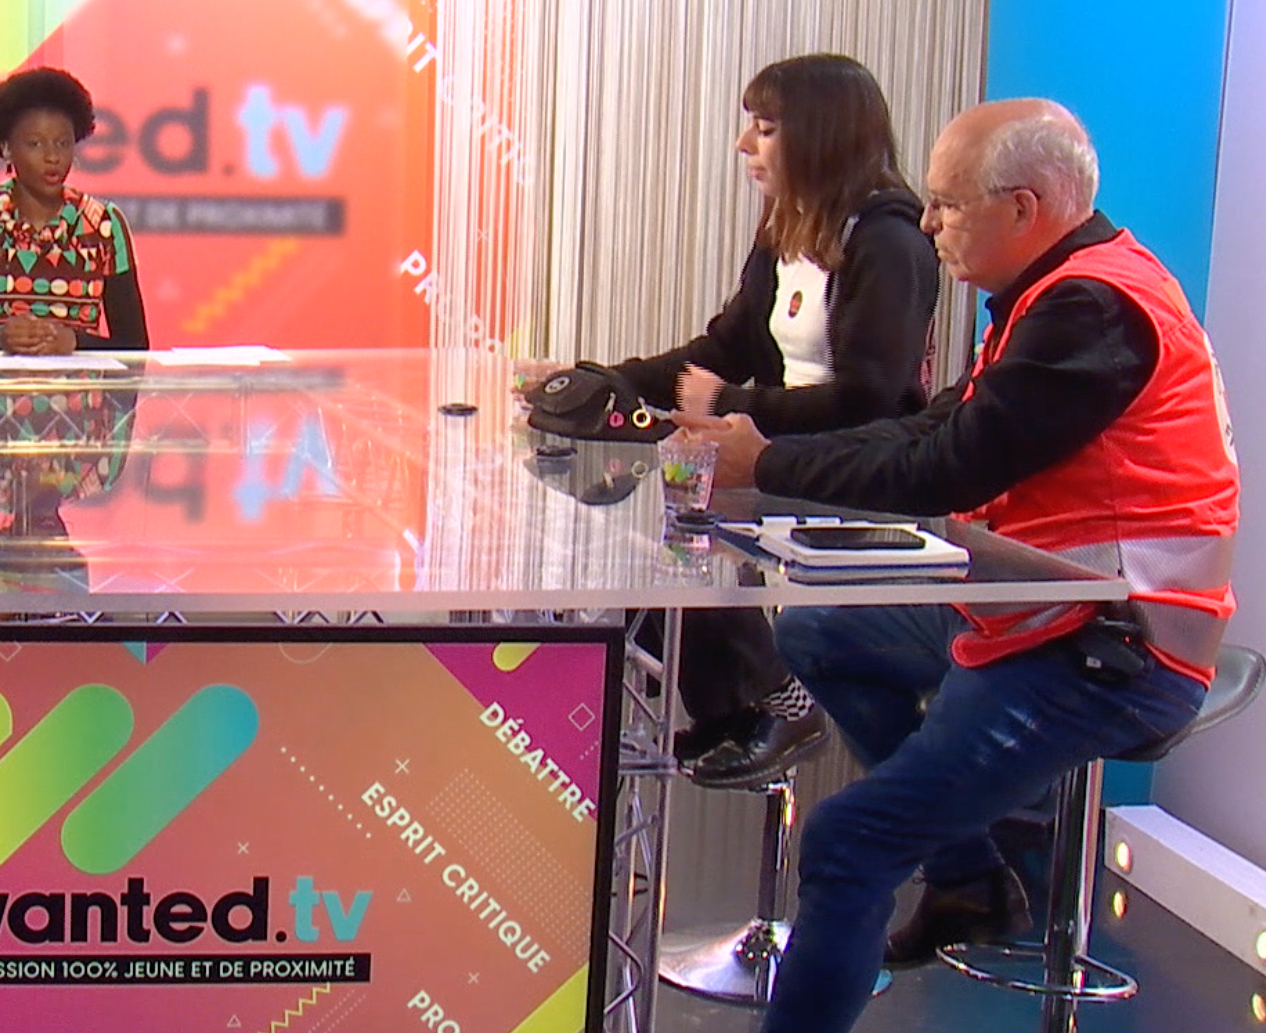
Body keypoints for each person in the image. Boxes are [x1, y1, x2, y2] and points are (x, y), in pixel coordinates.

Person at [676, 99, 1236, 1033]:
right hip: (1032, 611)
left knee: (849, 839)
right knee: (822, 629)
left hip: (1113, 647)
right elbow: (937, 424)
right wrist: (766, 453)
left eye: (946, 204)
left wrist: (765, 464)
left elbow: (949, 466)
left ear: (1023, 207)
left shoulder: (1091, 308)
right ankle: (970, 874)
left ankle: (956, 864)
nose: (928, 223)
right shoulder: (1050, 294)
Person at [521, 54, 941, 787]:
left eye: (766, 129)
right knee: (643, 531)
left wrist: (729, 407)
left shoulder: (891, 244)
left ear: (822, 134)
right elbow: (722, 351)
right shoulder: (786, 232)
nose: (745, 145)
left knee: (680, 536)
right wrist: (598, 381)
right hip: (772, 462)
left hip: (857, 477)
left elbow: (870, 397)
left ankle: (776, 703)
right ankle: (736, 706)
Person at [0, 67, 150, 354]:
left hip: (79, 384)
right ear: (7, 149)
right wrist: (0, 340)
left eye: (63, 143)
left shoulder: (104, 223)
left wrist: (75, 342)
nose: (52, 156)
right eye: (35, 144)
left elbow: (136, 347)